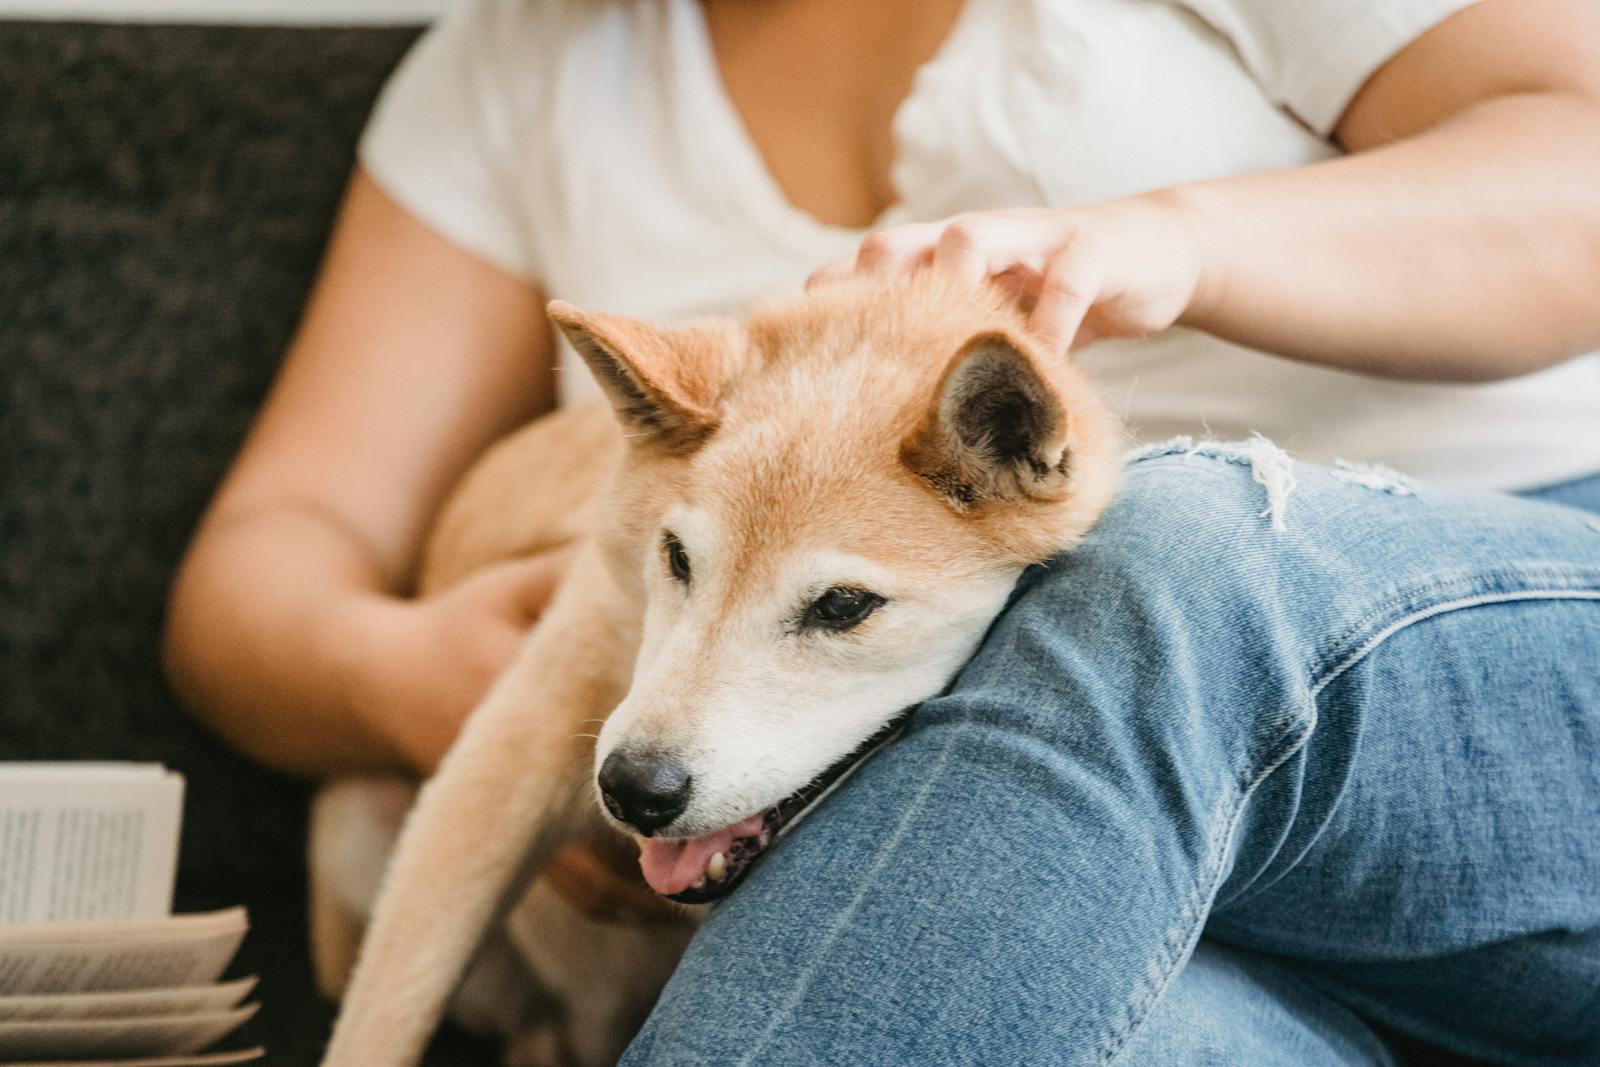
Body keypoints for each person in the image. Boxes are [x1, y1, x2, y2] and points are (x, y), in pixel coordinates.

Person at [163, 0, 1600, 1062]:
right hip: (1041, 866)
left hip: (1484, 661)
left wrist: (1188, 240)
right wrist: (429, 682)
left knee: (1148, 553)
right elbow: (270, 556)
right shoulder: (520, 63)